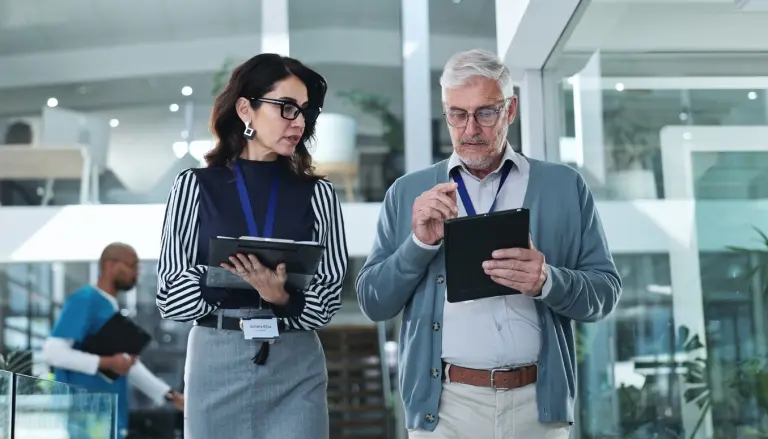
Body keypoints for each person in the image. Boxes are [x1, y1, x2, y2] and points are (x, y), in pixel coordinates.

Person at [356, 49, 622, 438]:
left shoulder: (564, 187)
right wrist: (418, 244)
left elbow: (606, 292)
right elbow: (373, 302)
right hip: (444, 410)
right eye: (457, 114)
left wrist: (547, 280)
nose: (470, 129)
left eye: (485, 112)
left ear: (510, 110)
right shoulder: (407, 193)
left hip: (538, 408)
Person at [156, 53, 348, 439]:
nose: (299, 122)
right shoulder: (194, 186)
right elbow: (170, 297)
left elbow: (326, 300)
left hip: (296, 362)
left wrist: (281, 298)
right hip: (216, 359)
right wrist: (233, 278)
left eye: (305, 112)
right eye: (286, 108)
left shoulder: (320, 194)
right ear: (246, 109)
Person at [43, 242, 184, 439]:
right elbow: (53, 352)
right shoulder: (86, 299)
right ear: (111, 265)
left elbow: (127, 365)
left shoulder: (109, 306)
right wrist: (109, 362)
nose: (136, 273)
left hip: (106, 414)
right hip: (86, 415)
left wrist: (170, 396)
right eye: (132, 266)